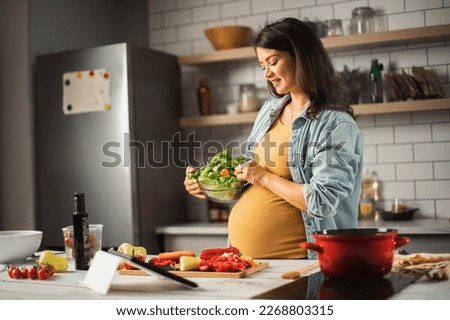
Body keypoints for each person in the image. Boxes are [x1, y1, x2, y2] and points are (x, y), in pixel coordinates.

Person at [184, 17, 363, 259]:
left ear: (301, 57)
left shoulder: (335, 124)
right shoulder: (271, 110)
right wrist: (209, 186)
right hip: (244, 262)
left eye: (273, 62)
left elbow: (321, 200)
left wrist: (264, 177)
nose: (267, 73)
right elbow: (247, 177)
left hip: (299, 268)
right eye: (262, 66)